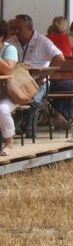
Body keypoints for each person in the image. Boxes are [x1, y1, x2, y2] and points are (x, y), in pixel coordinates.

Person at [8, 14, 69, 134]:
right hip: (16, 82)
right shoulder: (12, 41)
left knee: (34, 100)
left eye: (19, 28)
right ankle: (15, 127)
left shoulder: (43, 41)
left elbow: (60, 58)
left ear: (29, 28)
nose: (15, 31)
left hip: (38, 82)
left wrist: (44, 76)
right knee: (7, 98)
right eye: (14, 28)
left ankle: (29, 129)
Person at [0, 20, 19, 155]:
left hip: (9, 93)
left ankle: (9, 142)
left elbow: (8, 70)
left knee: (1, 109)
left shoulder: (9, 49)